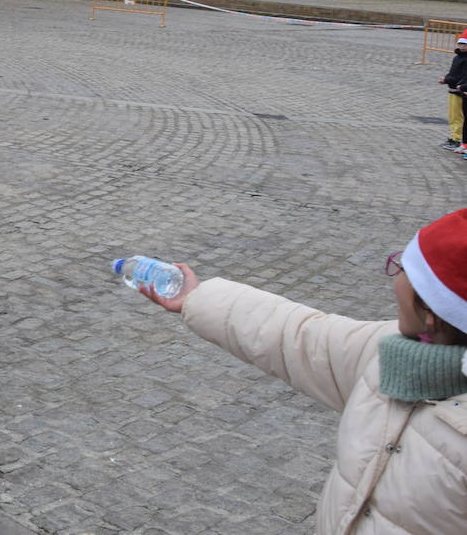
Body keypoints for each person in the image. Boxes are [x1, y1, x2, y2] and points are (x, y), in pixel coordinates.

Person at [136, 211, 467, 533]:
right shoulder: (392, 354)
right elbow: (300, 337)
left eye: (402, 268)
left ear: (432, 313)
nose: (394, 279)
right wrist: (198, 298)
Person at [438, 29, 467, 154]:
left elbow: (461, 75)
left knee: (457, 116)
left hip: (459, 90)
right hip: (452, 88)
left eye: (464, 44)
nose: (462, 46)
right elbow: (453, 72)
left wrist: (447, 79)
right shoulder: (457, 57)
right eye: (460, 44)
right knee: (452, 115)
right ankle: (454, 137)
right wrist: (446, 79)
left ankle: (457, 138)